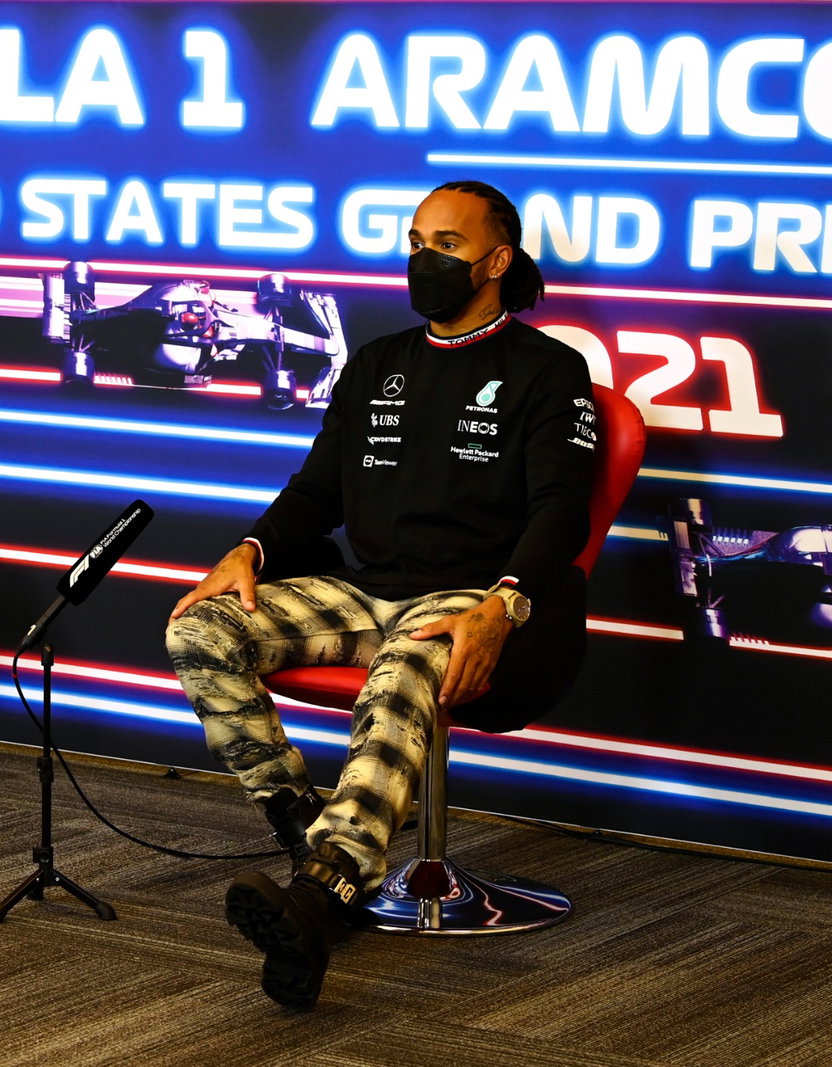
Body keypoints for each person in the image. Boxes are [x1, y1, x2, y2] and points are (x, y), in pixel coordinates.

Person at [165, 180, 597, 1010]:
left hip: (479, 599)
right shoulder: (376, 365)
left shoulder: (549, 369)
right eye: (413, 241)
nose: (422, 259)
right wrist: (248, 549)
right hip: (367, 594)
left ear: (496, 260)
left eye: (444, 244)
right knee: (202, 631)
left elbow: (562, 513)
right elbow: (315, 491)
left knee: (410, 659)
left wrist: (503, 602)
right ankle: (304, 832)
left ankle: (323, 894)